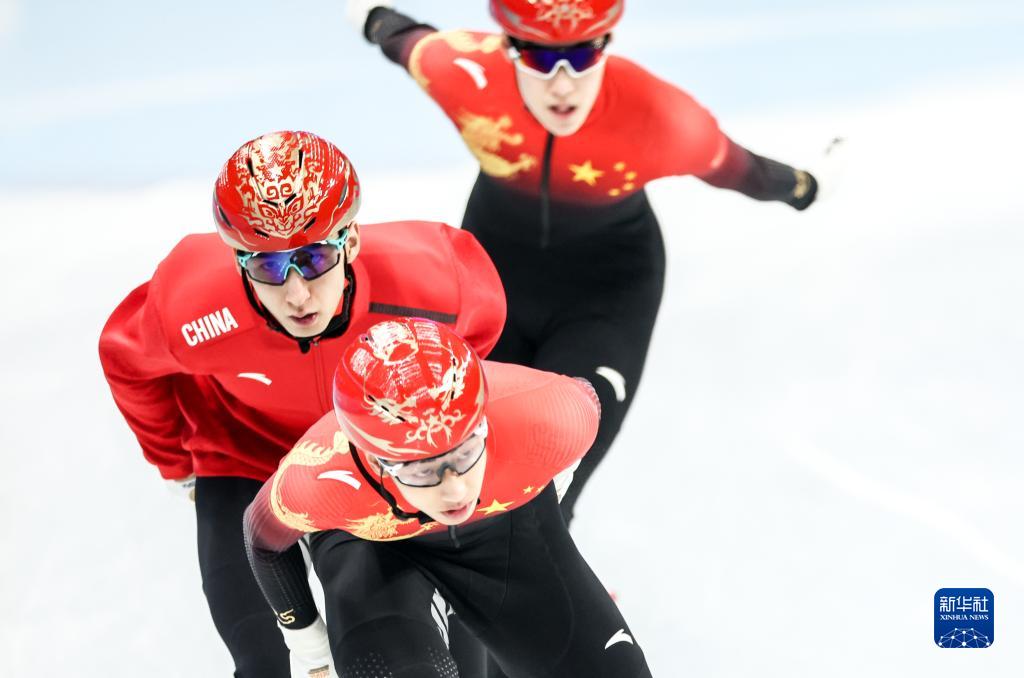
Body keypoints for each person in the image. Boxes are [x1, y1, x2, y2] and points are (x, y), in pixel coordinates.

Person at [345, 0, 820, 523]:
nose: (563, 85)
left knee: (554, 467)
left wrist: (804, 186)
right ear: (509, 49)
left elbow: (743, 170)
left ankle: (545, 579)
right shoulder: (463, 75)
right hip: (494, 281)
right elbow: (403, 37)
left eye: (583, 56)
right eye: (541, 59)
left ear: (607, 46)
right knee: (450, 458)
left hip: (607, 291)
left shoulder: (661, 116)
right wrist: (371, 14)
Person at [98, 131, 506, 677]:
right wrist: (177, 463)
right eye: (267, 267)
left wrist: (441, 446)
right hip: (245, 463)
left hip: (369, 465)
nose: (295, 294)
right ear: (237, 260)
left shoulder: (434, 281)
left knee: (453, 658)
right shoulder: (189, 303)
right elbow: (125, 360)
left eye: (314, 259)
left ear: (351, 241)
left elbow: (480, 347)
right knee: (264, 662)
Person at [244, 317, 653, 678]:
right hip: (373, 545)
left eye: (465, 452)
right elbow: (261, 540)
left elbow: (586, 408)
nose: (454, 488)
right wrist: (308, 644)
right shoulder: (322, 477)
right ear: (375, 460)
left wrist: (542, 492)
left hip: (504, 526)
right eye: (421, 469)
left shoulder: (552, 414)